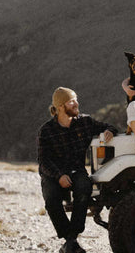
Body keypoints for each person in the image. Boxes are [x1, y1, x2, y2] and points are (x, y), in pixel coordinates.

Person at [37, 87, 117, 253]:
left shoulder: (85, 122)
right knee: (51, 199)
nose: (76, 103)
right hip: (53, 173)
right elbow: (43, 161)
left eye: (75, 99)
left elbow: (108, 126)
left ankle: (71, 239)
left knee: (84, 187)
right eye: (71, 101)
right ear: (60, 107)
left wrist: (110, 130)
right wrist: (59, 176)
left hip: (76, 170)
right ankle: (70, 239)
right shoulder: (46, 131)